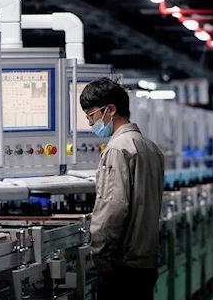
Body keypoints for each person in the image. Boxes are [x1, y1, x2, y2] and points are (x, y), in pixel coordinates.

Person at [79, 77, 164, 300]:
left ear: (111, 110)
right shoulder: (150, 147)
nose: (90, 123)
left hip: (123, 265)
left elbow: (113, 207)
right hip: (146, 261)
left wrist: (100, 256)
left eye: (91, 114)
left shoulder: (117, 149)